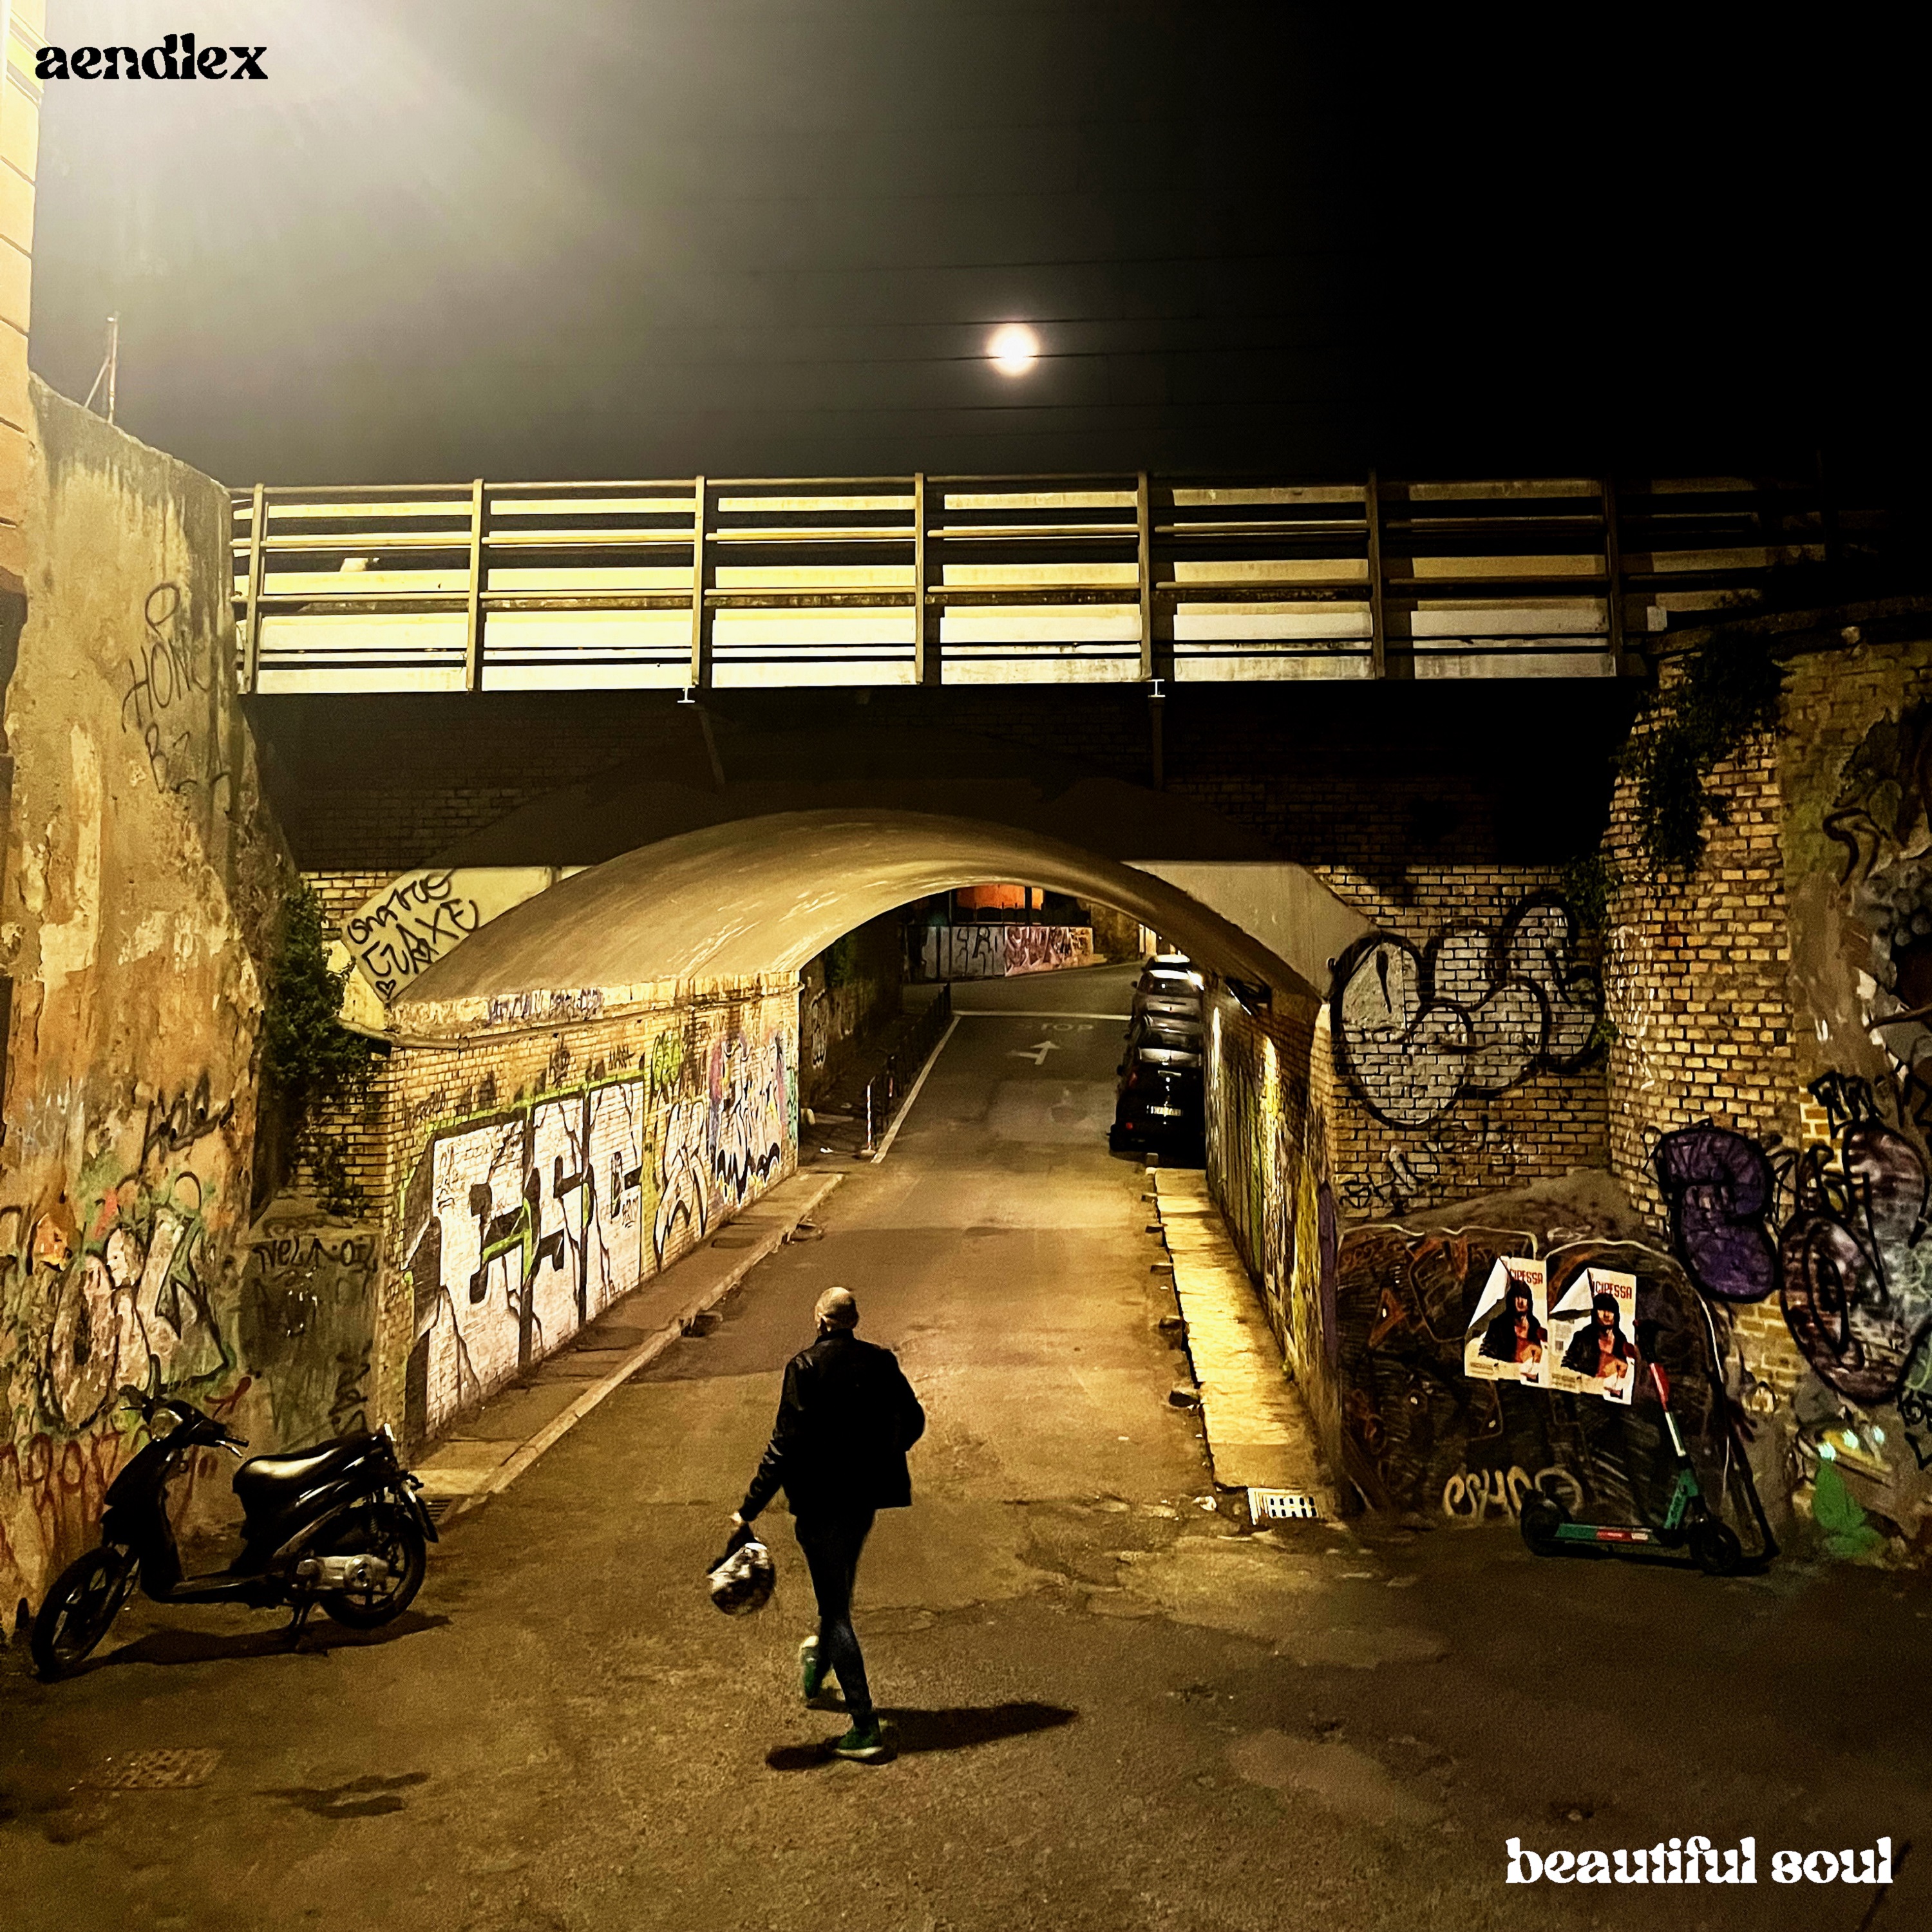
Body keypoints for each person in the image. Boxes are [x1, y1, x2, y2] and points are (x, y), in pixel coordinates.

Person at [732, 1285, 925, 1762]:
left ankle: (864, 1725)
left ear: (820, 1321)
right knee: (834, 1592)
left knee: (836, 1611)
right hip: (863, 1501)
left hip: (820, 1505)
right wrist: (881, 1453)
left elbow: (784, 1445)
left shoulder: (805, 1367)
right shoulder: (881, 1362)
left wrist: (749, 1509)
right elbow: (914, 1421)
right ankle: (819, 1667)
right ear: (853, 1321)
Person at [1561, 1291, 1633, 1381]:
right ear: (1595, 1312)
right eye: (1601, 1310)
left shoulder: (1621, 1340)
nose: (1606, 1315)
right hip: (1586, 1387)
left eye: (1610, 1311)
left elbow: (1625, 1374)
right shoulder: (1582, 1337)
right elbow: (1565, 1367)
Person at [1479, 1278, 1546, 1367]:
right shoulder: (1498, 1325)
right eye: (1517, 1297)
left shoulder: (1535, 1326)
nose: (1520, 1302)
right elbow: (1485, 1356)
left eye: (1524, 1297)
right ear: (1511, 1300)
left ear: (1529, 1301)